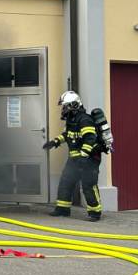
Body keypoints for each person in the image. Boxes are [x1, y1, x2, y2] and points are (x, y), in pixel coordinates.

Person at [45, 91, 102, 221]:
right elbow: (67, 135)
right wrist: (55, 141)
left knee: (88, 185)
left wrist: (83, 156)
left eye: (65, 106)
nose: (63, 109)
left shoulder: (85, 120)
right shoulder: (72, 120)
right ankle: (62, 209)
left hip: (89, 159)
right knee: (66, 181)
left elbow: (90, 139)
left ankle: (95, 212)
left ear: (74, 105)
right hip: (75, 159)